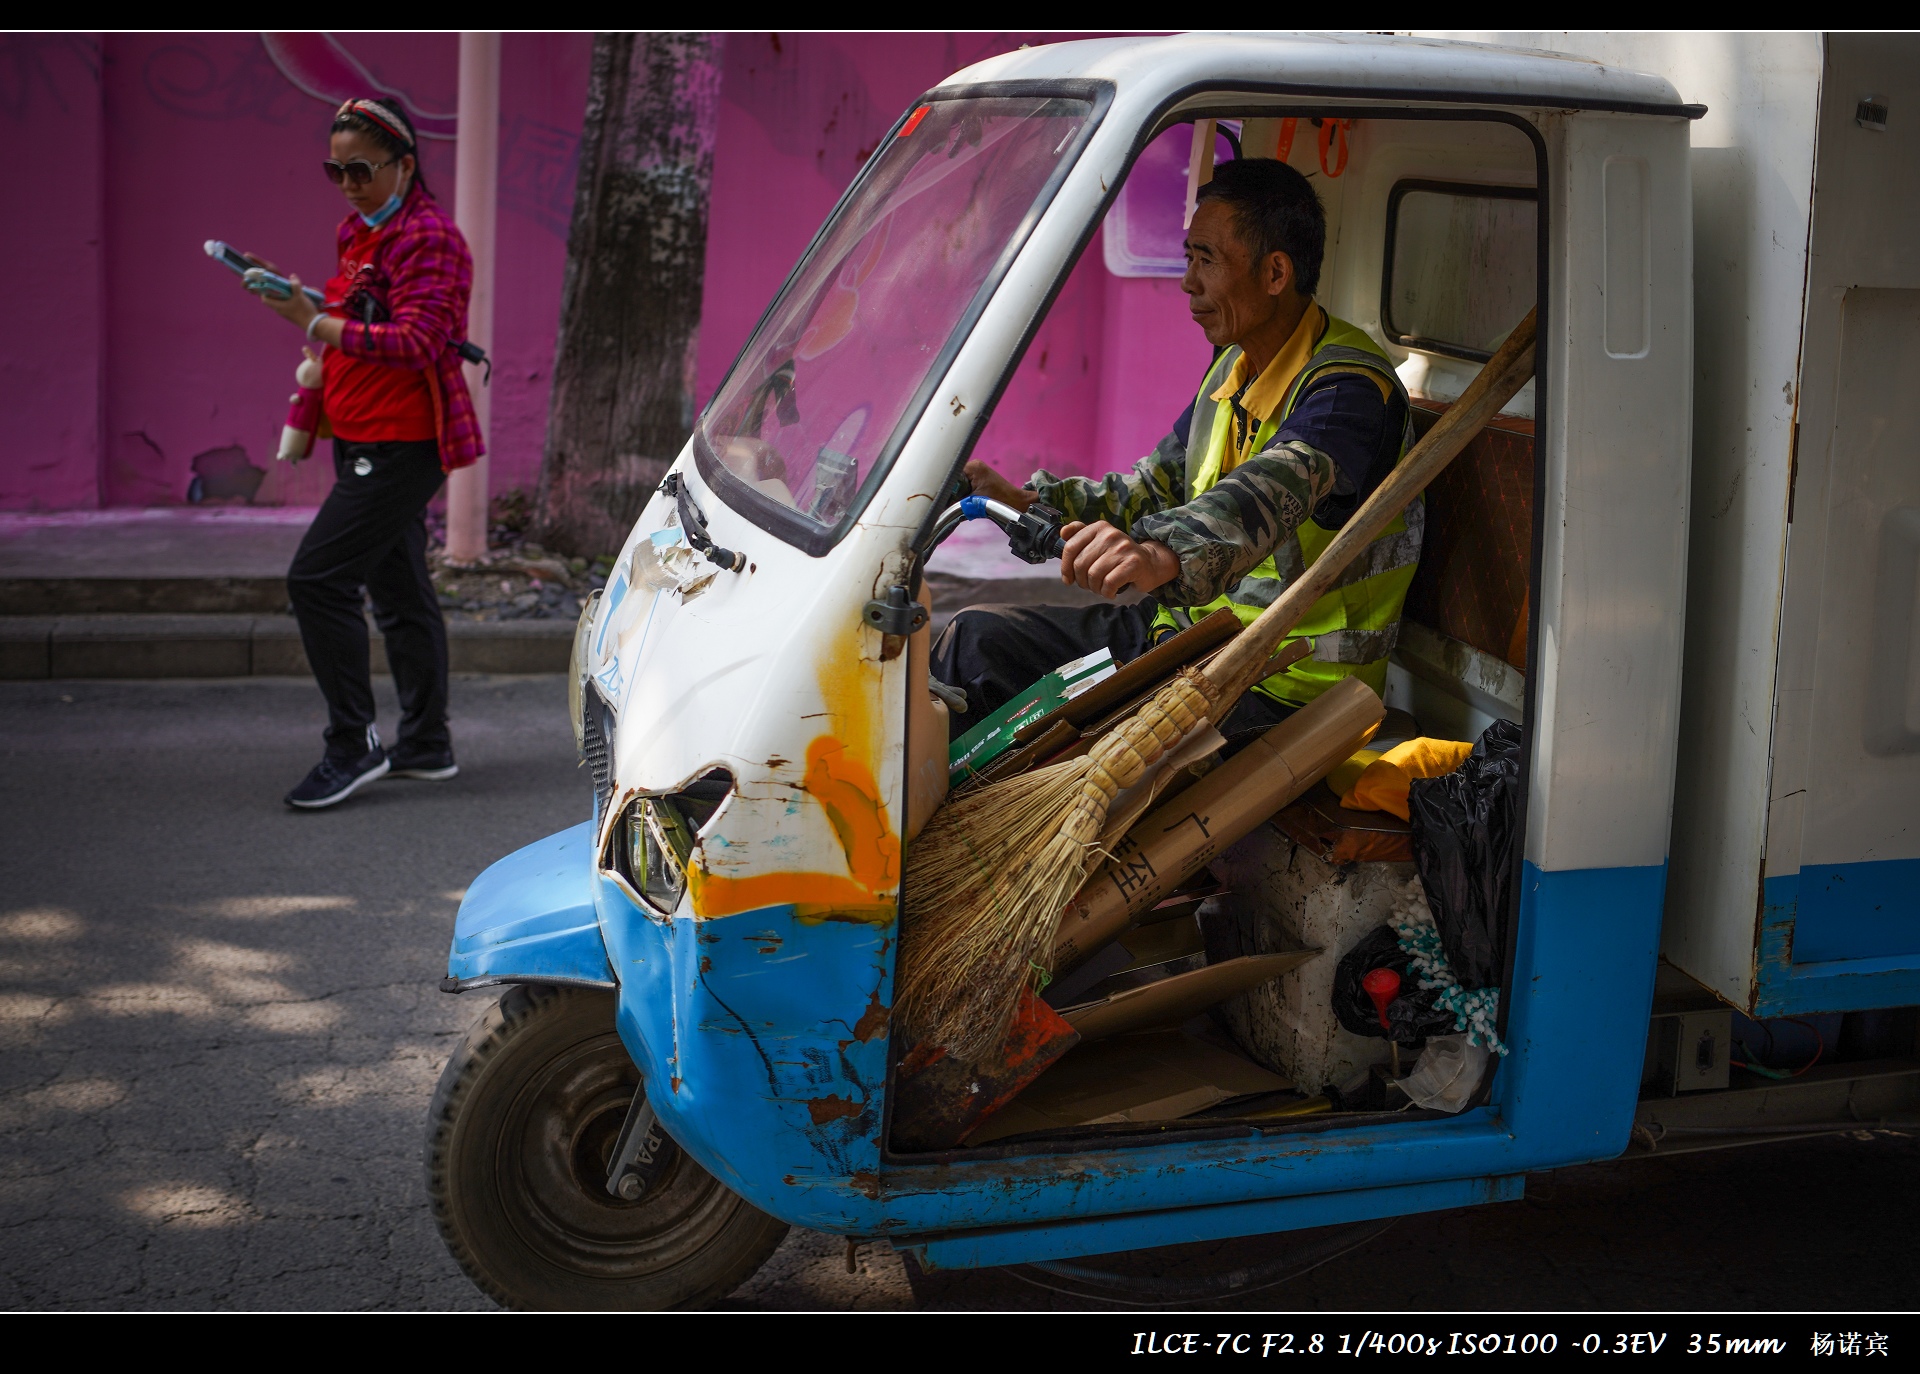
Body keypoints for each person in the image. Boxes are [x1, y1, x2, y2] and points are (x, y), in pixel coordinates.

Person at [935, 157, 1417, 744]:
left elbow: (1270, 489)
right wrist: (1025, 499)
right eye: (1189, 258)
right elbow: (1154, 485)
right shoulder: (1235, 367)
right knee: (975, 644)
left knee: (1071, 749)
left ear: (1275, 273)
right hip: (1189, 642)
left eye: (1206, 260)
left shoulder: (1350, 392)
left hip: (1282, 683)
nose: (1188, 282)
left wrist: (1159, 553)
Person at [252, 97, 484, 809]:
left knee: (317, 581)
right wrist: (303, 305)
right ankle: (426, 744)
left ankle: (352, 746)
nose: (349, 183)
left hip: (401, 443)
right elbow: (354, 322)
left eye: (362, 169)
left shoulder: (431, 239)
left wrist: (311, 318)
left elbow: (416, 342)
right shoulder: (358, 232)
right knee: (400, 592)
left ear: (404, 165)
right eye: (336, 169)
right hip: (358, 434)